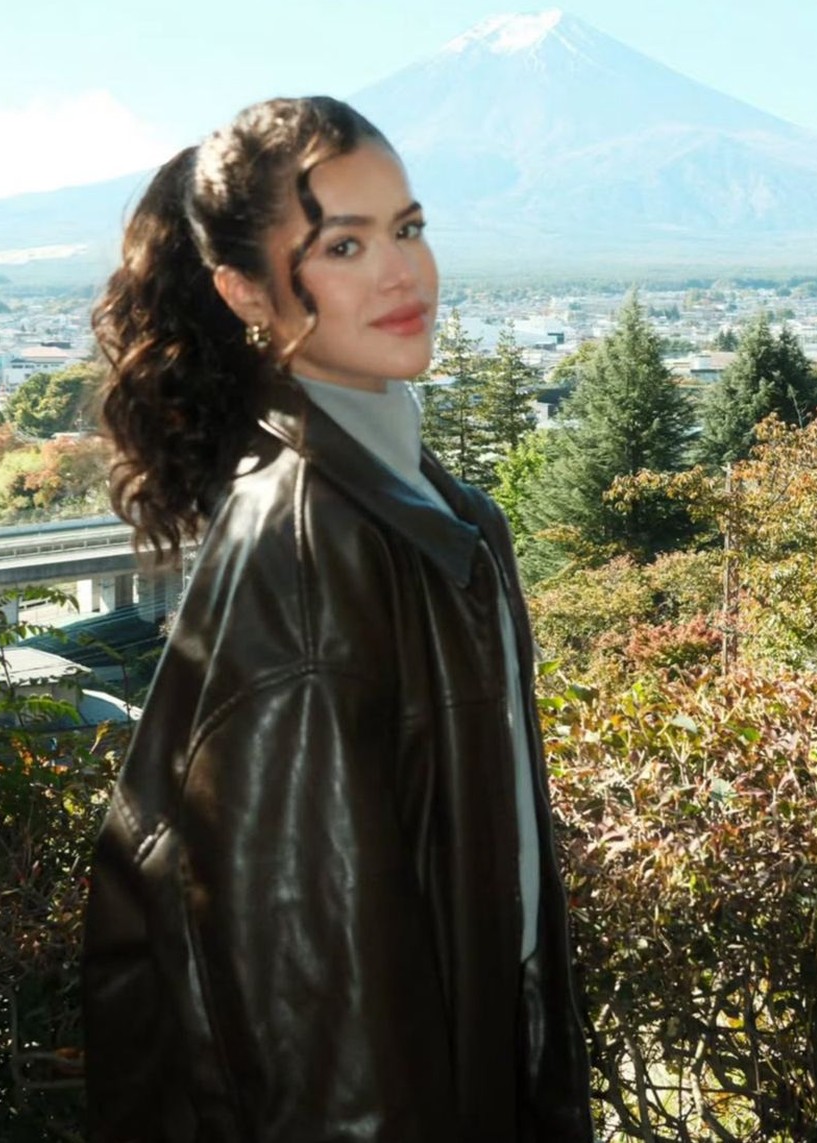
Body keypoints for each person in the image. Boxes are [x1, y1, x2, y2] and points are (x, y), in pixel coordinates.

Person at [82, 96, 594, 1143]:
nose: (403, 273)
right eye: (344, 245)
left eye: (409, 227)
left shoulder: (426, 508)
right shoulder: (309, 550)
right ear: (243, 290)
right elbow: (319, 1021)